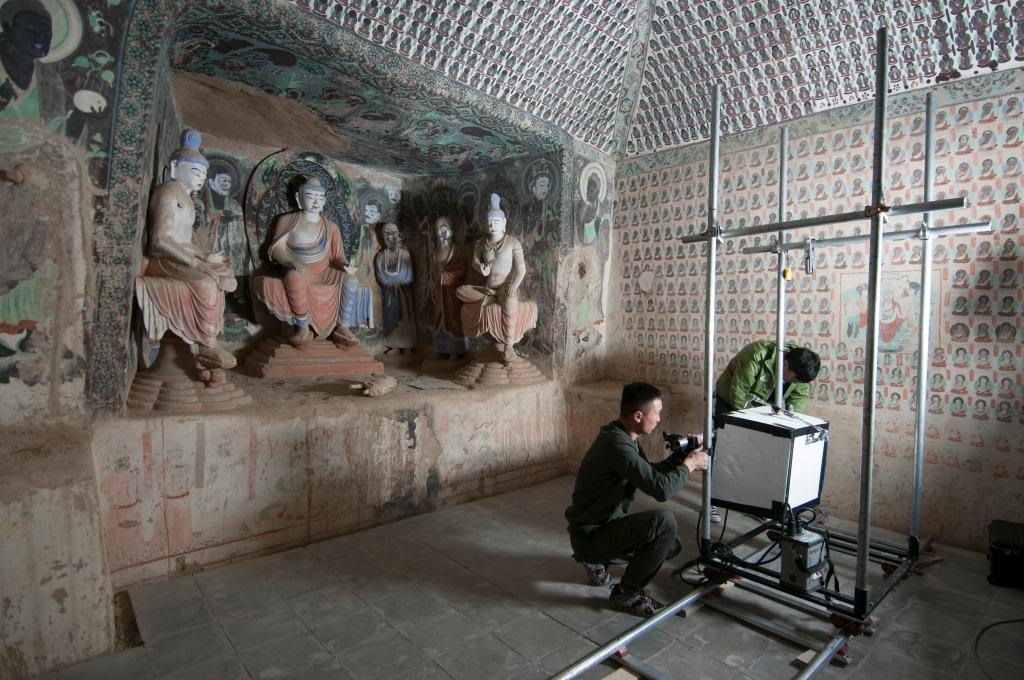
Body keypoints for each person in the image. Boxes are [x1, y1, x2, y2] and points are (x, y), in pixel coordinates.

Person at [565, 382, 710, 617]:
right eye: (657, 413)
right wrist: (690, 464)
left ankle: (598, 559)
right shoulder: (617, 444)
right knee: (664, 524)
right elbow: (661, 490)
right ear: (638, 416)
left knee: (669, 545)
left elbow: (649, 472)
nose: (659, 420)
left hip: (600, 526)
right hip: (589, 534)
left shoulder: (623, 435)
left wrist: (679, 458)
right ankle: (625, 592)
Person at [135, 129, 237, 369]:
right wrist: (197, 263)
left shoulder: (188, 199)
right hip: (163, 260)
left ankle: (209, 336)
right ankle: (207, 344)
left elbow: (183, 239)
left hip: (181, 257)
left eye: (204, 174)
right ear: (174, 167)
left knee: (223, 272)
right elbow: (160, 240)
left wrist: (204, 256)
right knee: (206, 282)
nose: (201, 178)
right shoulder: (168, 191)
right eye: (195, 171)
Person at [255, 176, 359, 347]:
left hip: (324, 271)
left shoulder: (331, 227)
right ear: (299, 198)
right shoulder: (288, 220)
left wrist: (345, 266)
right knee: (293, 276)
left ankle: (343, 327)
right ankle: (302, 327)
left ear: (324, 201)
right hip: (299, 269)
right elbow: (277, 248)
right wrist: (289, 262)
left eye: (320, 198)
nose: (316, 202)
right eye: (311, 197)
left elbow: (337, 257)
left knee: (351, 281)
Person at [457, 193, 537, 364]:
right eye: (490, 222)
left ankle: (509, 346)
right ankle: (486, 299)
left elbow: (521, 269)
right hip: (487, 288)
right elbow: (474, 261)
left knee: (510, 302)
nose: (492, 225)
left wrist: (514, 286)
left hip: (505, 287)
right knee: (460, 291)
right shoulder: (481, 243)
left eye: (496, 221)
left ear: (504, 223)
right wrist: (481, 268)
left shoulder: (513, 243)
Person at [374, 222, 416, 352]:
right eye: (385, 234)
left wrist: (400, 283)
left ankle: (407, 347)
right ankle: (393, 346)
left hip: (404, 292)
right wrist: (391, 284)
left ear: (397, 235)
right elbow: (380, 277)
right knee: (390, 319)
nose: (389, 237)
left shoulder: (405, 254)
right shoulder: (380, 256)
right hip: (389, 294)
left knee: (406, 319)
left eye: (392, 233)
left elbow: (410, 276)